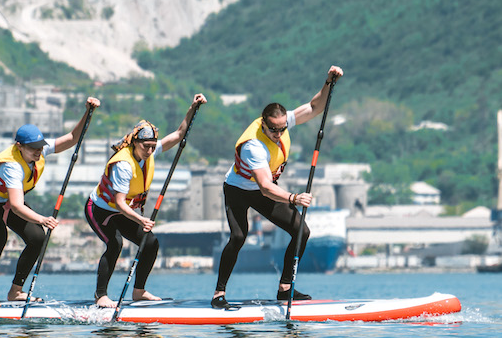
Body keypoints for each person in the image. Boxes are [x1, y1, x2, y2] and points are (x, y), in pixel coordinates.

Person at [211, 66, 343, 308]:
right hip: (239, 190)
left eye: (282, 128)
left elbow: (314, 107)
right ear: (264, 124)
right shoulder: (254, 145)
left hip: (264, 189)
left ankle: (285, 288)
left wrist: (328, 82)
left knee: (301, 231)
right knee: (239, 236)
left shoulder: (281, 124)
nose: (278, 133)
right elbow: (264, 186)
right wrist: (293, 198)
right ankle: (219, 293)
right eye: (273, 129)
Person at [0, 97, 100, 308]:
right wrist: (43, 218)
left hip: (4, 201)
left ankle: (15, 291)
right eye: (33, 148)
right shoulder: (12, 166)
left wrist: (88, 113)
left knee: (37, 237)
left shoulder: (38, 150)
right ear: (19, 146)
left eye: (40, 147)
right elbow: (17, 206)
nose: (38, 151)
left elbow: (73, 138)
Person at [85, 94, 207, 308]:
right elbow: (120, 203)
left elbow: (179, 134)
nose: (150, 151)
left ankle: (139, 292)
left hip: (123, 211)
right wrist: (141, 221)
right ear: (135, 143)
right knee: (115, 244)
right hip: (101, 210)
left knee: (150, 243)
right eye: (146, 146)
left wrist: (193, 108)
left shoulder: (149, 151)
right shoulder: (123, 164)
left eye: (153, 146)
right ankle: (101, 295)